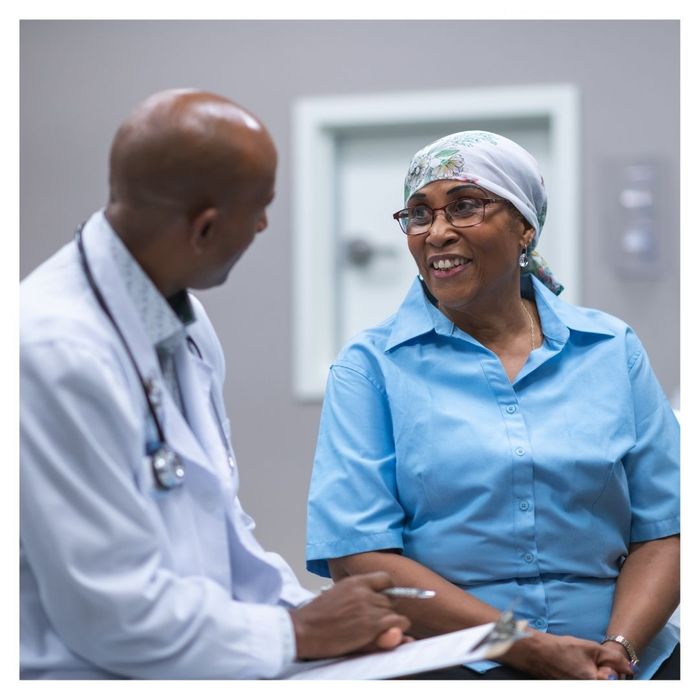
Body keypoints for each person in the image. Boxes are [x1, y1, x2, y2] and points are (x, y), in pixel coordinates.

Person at [19, 89, 410, 679]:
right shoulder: (52, 353)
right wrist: (295, 634)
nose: (262, 224)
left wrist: (312, 612)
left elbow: (221, 526)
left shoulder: (184, 320)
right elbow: (111, 613)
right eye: (259, 208)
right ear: (204, 228)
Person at [305, 130, 680, 680]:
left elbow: (665, 528)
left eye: (464, 207)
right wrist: (524, 645)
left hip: (625, 657)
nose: (436, 233)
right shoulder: (371, 367)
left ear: (524, 226)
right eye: (418, 215)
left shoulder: (609, 349)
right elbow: (360, 558)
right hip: (451, 659)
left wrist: (618, 650)